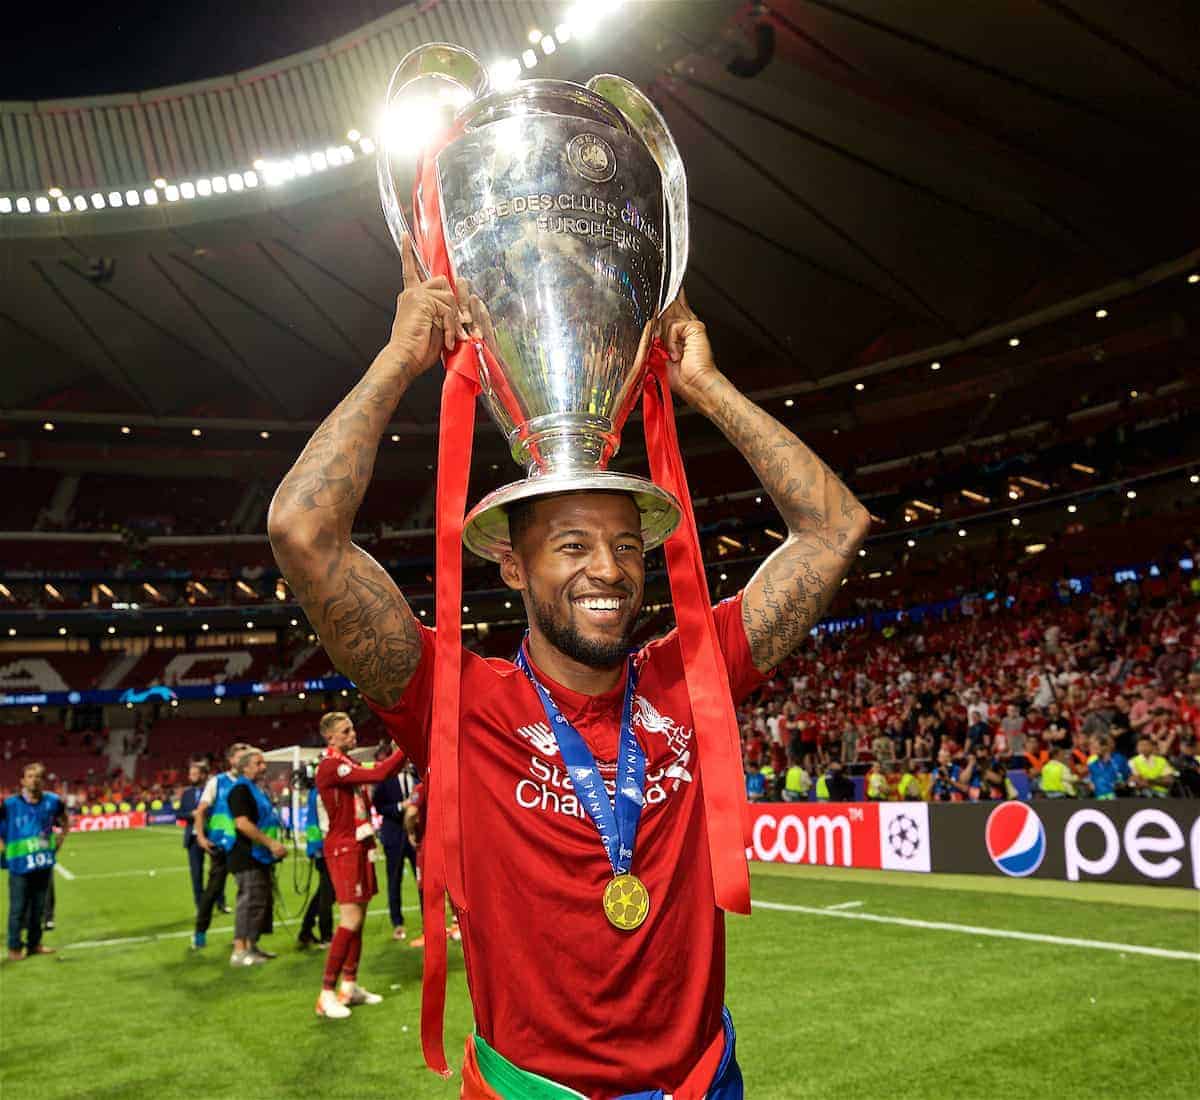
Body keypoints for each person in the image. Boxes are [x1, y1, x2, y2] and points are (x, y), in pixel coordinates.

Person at [267, 245, 869, 1092]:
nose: (610, 571)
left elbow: (833, 529)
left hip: (703, 1082)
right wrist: (401, 355)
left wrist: (703, 387)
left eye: (628, 546)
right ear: (514, 568)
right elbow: (302, 531)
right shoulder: (457, 698)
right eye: (573, 546)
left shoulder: (691, 674)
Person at [312, 712, 407, 1019]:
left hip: (359, 845)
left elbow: (378, 772)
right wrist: (406, 746)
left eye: (352, 728)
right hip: (344, 849)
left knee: (360, 918)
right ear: (331, 738)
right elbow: (380, 774)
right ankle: (326, 994)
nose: (353, 734)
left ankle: (349, 986)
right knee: (350, 919)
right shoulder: (331, 765)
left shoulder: (348, 764)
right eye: (346, 731)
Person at [1, 763, 67, 961]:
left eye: (37, 776)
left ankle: (34, 944)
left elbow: (63, 820)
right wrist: (3, 849)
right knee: (18, 908)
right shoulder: (10, 804)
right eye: (29, 776)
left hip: (43, 862)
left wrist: (60, 840)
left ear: (43, 780)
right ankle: (14, 948)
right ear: (22, 781)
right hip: (20, 864)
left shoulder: (53, 801)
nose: (34, 780)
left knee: (38, 908)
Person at [227, 748, 286, 966]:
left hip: (261, 855)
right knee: (249, 902)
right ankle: (239, 950)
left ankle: (252, 946)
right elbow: (242, 823)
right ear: (245, 767)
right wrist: (271, 843)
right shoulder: (240, 790)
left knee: (260, 902)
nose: (264, 767)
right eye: (258, 763)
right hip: (247, 855)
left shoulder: (256, 789)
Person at [190, 742, 247, 949]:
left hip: (243, 845)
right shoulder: (218, 781)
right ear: (231, 760)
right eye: (240, 757)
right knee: (213, 890)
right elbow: (201, 810)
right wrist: (201, 837)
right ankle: (199, 932)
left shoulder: (249, 782)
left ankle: (243, 937)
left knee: (247, 891)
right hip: (221, 846)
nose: (243, 761)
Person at [372, 755, 418, 941]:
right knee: (394, 881)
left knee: (423, 881)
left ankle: (429, 922)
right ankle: (397, 923)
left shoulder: (416, 776)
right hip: (394, 837)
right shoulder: (385, 779)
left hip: (416, 837)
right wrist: (400, 807)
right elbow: (379, 805)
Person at [297, 782, 334, 949]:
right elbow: (326, 823)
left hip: (318, 845)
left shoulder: (315, 791)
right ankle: (326, 935)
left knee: (324, 892)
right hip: (325, 846)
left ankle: (306, 930)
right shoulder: (322, 792)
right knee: (328, 893)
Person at [177, 758, 209, 913]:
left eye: (195, 774)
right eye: (191, 774)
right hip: (193, 838)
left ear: (203, 775)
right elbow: (179, 814)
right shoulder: (187, 793)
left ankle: (220, 902)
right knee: (196, 874)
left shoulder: (210, 791)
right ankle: (200, 905)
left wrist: (203, 813)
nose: (192, 776)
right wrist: (192, 814)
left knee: (217, 872)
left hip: (211, 835)